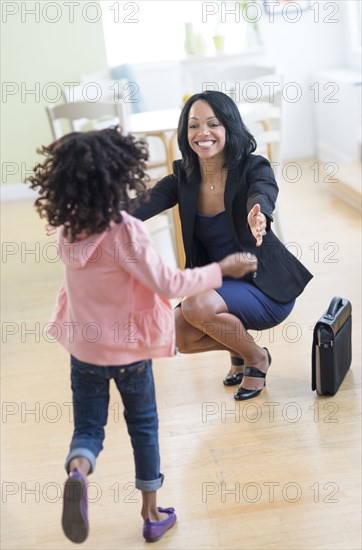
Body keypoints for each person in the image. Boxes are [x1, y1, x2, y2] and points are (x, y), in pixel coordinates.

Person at [27, 127, 257, 544]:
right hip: (129, 353)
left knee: (88, 430)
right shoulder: (123, 230)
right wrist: (221, 270)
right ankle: (152, 515)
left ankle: (78, 469)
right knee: (144, 427)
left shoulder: (66, 229)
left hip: (85, 352)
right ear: (119, 175)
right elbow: (170, 284)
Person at [134, 90, 313, 401]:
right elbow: (136, 207)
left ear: (229, 127)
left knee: (195, 305)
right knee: (176, 334)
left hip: (265, 287)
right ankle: (244, 350)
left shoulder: (252, 167)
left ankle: (254, 359)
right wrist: (81, 220)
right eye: (193, 125)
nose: (202, 133)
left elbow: (263, 191)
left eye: (213, 123)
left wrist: (260, 215)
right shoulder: (183, 178)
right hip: (221, 289)